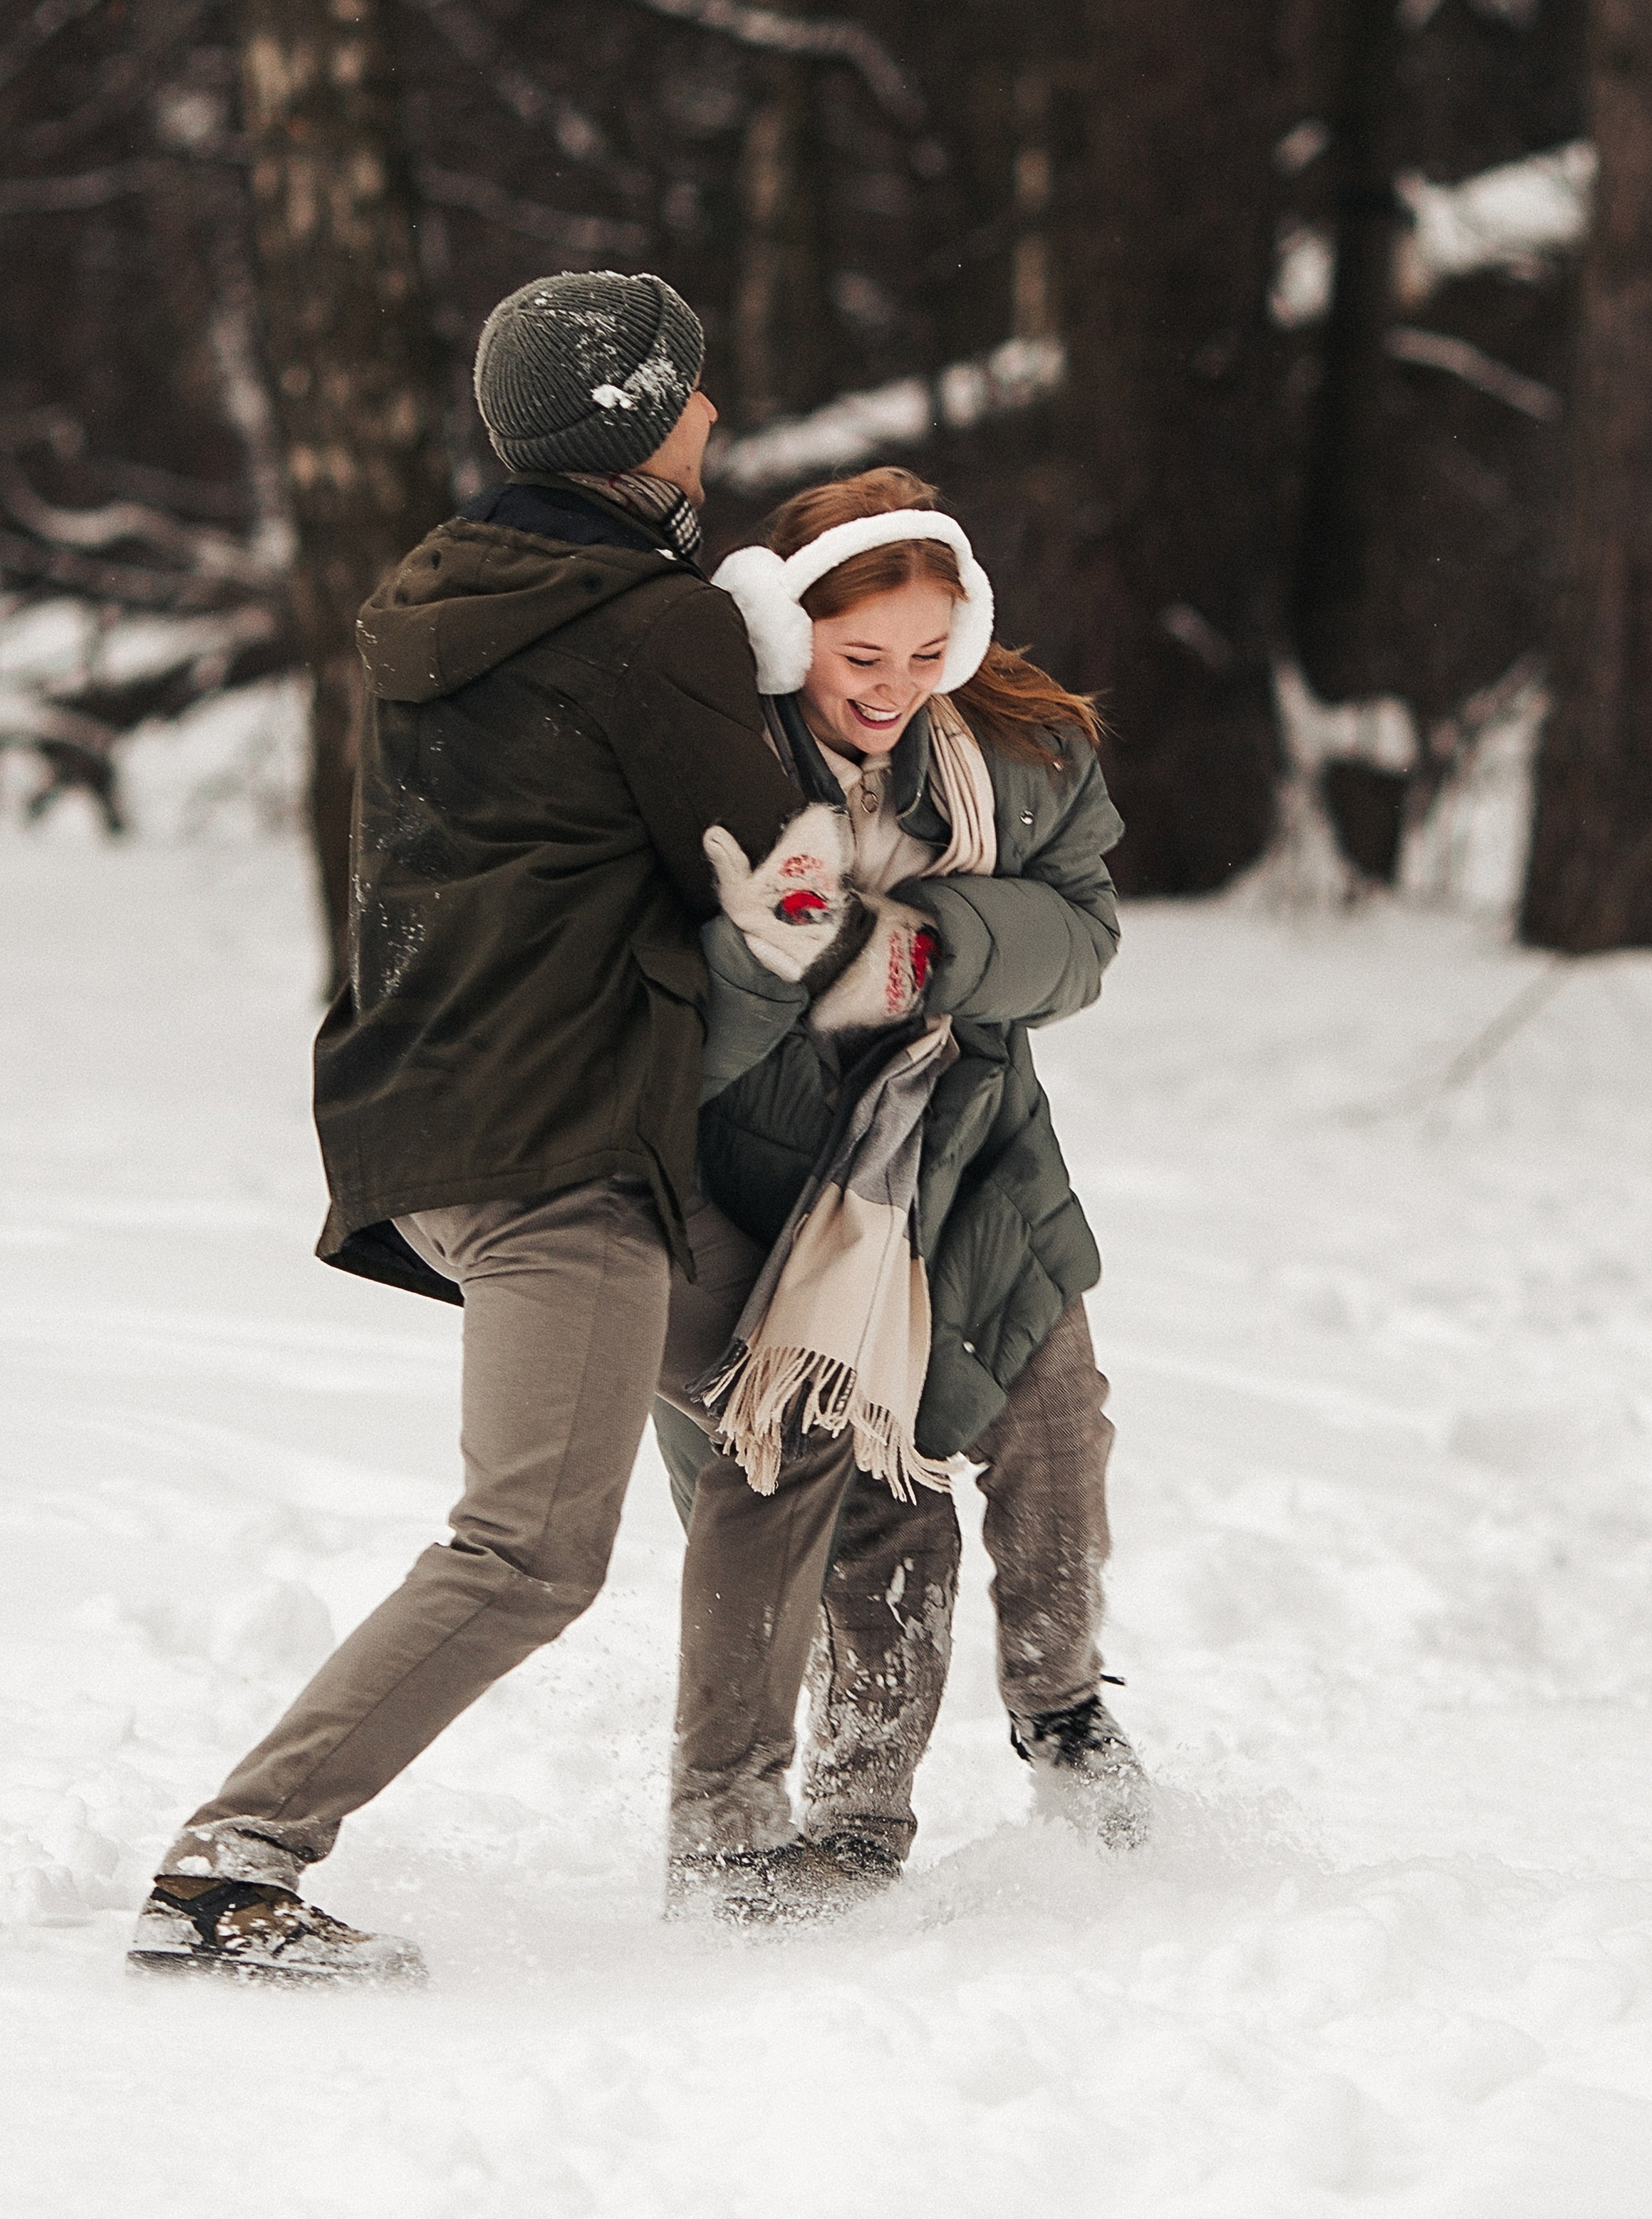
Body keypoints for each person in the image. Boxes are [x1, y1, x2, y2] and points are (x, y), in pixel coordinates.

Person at [127, 272, 869, 1982]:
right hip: (558, 1144)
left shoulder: (437, 599)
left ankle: (731, 1840)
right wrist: (785, 715)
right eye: (693, 390)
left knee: (783, 1404)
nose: (716, 414)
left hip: (428, 1107)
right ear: (640, 422)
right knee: (531, 1548)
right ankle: (231, 1864)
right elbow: (791, 887)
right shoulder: (649, 622)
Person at [648, 467, 1146, 1920]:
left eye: (928, 654)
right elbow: (678, 1044)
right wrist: (775, 955)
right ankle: (857, 1820)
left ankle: (1059, 1702)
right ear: (789, 630)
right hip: (792, 1203)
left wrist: (915, 949)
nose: (895, 688)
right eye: (862, 658)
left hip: (976, 1161)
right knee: (878, 1507)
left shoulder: (1019, 753)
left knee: (1055, 1430)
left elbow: (1081, 941)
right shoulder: (715, 769)